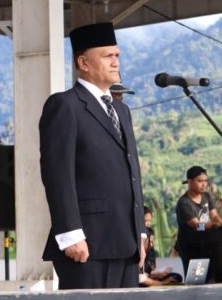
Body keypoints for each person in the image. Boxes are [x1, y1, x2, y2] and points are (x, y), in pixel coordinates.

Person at [39, 22, 146, 289]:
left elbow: (133, 174)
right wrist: (70, 233)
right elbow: (57, 175)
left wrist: (140, 232)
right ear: (83, 62)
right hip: (87, 243)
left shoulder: (122, 111)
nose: (115, 62)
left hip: (127, 243)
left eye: (117, 55)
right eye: (107, 56)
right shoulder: (65, 105)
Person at [175, 166, 222, 274]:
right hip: (190, 247)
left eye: (205, 181)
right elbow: (197, 226)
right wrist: (215, 226)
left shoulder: (207, 197)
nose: (203, 184)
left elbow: (215, 216)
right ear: (189, 182)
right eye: (200, 181)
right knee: (195, 279)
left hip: (206, 244)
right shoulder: (184, 203)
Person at [139, 206, 181, 287]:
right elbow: (140, 278)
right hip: (142, 280)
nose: (148, 223)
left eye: (150, 221)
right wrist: (162, 283)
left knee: (176, 277)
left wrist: (158, 274)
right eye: (146, 220)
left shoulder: (150, 249)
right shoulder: (139, 250)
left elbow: (149, 272)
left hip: (147, 277)